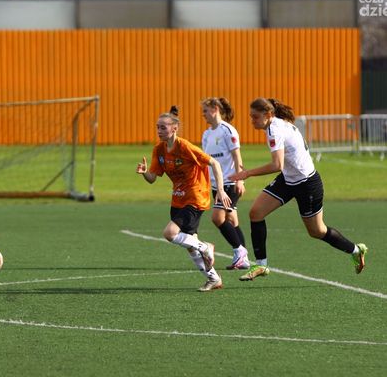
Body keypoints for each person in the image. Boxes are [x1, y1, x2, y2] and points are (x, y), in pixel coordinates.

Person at [229, 98, 368, 281]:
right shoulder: (276, 125)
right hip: (288, 180)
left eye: (255, 117)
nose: (252, 120)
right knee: (256, 213)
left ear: (268, 115)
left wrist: (247, 173)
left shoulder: (275, 130)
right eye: (250, 116)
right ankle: (261, 265)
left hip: (307, 184)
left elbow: (277, 165)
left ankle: (356, 250)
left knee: (317, 231)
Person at [136, 106, 232, 292]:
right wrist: (144, 173)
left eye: (163, 127)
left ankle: (206, 247)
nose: (159, 131)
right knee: (189, 245)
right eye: (157, 127)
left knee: (170, 233)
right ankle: (213, 278)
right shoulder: (159, 150)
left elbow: (214, 163)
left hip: (196, 196)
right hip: (178, 199)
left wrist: (220, 190)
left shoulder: (185, 147)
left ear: (174, 128)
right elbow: (152, 178)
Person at [201, 97, 250, 270]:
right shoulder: (206, 134)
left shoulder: (228, 130)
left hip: (230, 183)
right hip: (216, 185)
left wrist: (240, 179)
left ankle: (239, 251)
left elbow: (237, 157)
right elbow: (207, 161)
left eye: (205, 111)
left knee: (217, 218)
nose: (203, 115)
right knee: (231, 219)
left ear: (215, 109)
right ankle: (243, 259)